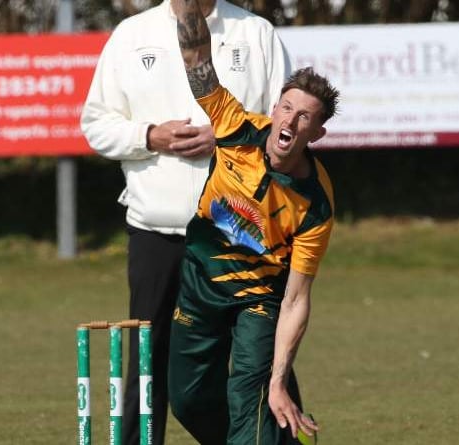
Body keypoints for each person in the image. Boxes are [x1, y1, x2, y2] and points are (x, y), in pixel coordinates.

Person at [80, 1, 291, 443]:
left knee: (260, 358)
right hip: (158, 230)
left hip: (239, 235)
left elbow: (284, 125)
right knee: (148, 361)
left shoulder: (255, 32)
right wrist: (149, 135)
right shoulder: (132, 34)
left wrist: (231, 135)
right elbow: (96, 123)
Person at [168, 0, 340, 443]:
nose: (291, 121)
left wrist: (280, 379)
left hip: (259, 300)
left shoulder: (315, 204)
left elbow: (296, 299)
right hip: (201, 279)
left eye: (304, 117)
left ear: (316, 133)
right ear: (275, 108)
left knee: (252, 402)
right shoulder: (235, 127)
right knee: (187, 400)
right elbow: (197, 59)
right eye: (287, 108)